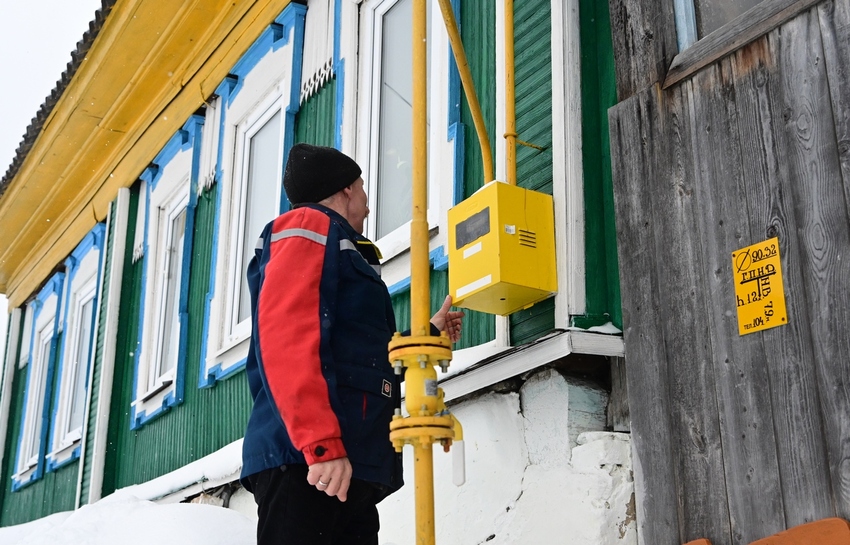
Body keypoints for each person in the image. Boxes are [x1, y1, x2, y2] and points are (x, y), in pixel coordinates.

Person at [240, 143, 464, 545]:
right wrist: (321, 446)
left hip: (343, 462)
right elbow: (288, 341)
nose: (368, 204)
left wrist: (428, 336)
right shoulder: (308, 226)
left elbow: (360, 360)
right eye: (362, 189)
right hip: (310, 463)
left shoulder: (339, 245)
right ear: (346, 189)